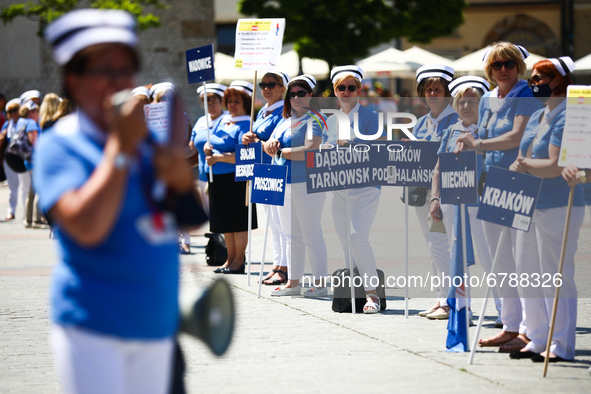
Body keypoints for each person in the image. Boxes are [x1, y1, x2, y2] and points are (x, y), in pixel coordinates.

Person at [34, 9, 201, 393]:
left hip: (157, 325)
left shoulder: (146, 140)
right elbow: (87, 227)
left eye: (127, 69)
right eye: (104, 71)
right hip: (95, 328)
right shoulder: (61, 144)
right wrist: (121, 149)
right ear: (73, 81)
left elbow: (191, 220)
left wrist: (180, 180)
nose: (120, 82)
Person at [455, 42, 542, 351]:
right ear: (488, 71)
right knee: (499, 259)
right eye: (496, 65)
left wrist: (478, 145)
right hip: (490, 182)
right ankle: (509, 325)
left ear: (519, 66)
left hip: (519, 181)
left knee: (524, 260)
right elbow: (483, 134)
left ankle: (532, 331)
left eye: (508, 63)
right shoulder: (490, 98)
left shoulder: (526, 95)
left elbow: (516, 137)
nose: (503, 69)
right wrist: (467, 141)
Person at [508, 57, 585, 362]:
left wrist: (526, 165)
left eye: (542, 77)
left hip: (558, 202)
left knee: (556, 275)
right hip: (528, 201)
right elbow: (523, 153)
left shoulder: (570, 115)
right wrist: (520, 163)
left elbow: (554, 165)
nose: (534, 81)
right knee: (528, 272)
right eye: (533, 76)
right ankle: (538, 337)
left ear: (558, 80)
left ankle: (561, 345)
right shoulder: (541, 113)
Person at [429, 76, 496, 324]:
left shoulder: (490, 130)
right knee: (456, 256)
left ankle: (504, 310)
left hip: (482, 200)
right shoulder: (450, 131)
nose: (466, 106)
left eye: (472, 101)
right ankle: (461, 309)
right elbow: (438, 169)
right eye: (461, 102)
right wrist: (435, 199)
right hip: (452, 200)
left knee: (490, 255)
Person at [324, 65, 383, 313]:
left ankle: (372, 295)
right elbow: (325, 149)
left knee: (359, 238)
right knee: (345, 240)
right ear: (335, 92)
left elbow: (380, 144)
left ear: (358, 90)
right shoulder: (330, 119)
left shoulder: (371, 116)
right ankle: (353, 290)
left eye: (351, 87)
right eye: (341, 87)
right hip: (338, 187)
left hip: (365, 186)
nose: (346, 91)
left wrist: (354, 142)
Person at [264, 74, 328, 297]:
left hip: (307, 183)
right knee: (291, 236)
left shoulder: (315, 119)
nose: (297, 97)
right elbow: (267, 145)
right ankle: (294, 282)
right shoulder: (285, 120)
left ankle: (320, 283)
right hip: (284, 182)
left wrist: (283, 152)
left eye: (301, 93)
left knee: (312, 234)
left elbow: (311, 149)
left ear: (311, 95)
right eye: (292, 94)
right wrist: (269, 144)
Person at [410, 64, 459, 320]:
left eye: (437, 89)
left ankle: (450, 302)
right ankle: (441, 298)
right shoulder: (420, 123)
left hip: (446, 193)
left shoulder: (456, 119)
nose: (432, 93)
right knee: (433, 246)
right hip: (423, 193)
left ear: (447, 92)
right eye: (427, 89)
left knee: (442, 245)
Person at [203, 80, 258, 274]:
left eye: (237, 101)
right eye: (230, 101)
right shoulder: (225, 121)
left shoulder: (246, 124)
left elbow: (244, 155)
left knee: (238, 222)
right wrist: (207, 149)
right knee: (226, 222)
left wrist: (217, 157)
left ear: (245, 104)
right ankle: (229, 259)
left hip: (237, 179)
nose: (232, 105)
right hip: (218, 179)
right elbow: (214, 144)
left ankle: (238, 261)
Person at [242, 71, 290, 285]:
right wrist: (246, 137)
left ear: (283, 88)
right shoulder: (262, 111)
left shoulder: (284, 111)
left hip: (276, 169)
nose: (267, 88)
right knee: (272, 222)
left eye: (272, 84)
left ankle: (286, 267)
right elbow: (255, 137)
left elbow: (275, 141)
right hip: (262, 170)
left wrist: (258, 141)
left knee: (281, 222)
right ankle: (277, 264)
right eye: (263, 84)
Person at [190, 83, 229, 213]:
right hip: (203, 175)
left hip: (224, 174)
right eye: (207, 102)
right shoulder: (201, 121)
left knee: (224, 213)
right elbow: (191, 148)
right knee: (210, 213)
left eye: (214, 102)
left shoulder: (229, 119)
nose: (210, 106)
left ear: (222, 102)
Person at [19, 100, 42, 228]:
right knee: (38, 191)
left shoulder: (22, 122)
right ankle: (36, 220)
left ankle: (28, 219)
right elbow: (34, 140)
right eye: (36, 111)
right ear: (31, 112)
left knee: (31, 192)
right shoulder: (32, 123)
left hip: (28, 160)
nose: (38, 113)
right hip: (35, 160)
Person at [1, 98, 23, 220]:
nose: (13, 113)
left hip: (22, 157)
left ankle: (27, 212)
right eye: (10, 111)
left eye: (16, 110)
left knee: (26, 186)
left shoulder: (24, 122)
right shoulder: (7, 124)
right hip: (9, 158)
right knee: (12, 186)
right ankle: (11, 211)